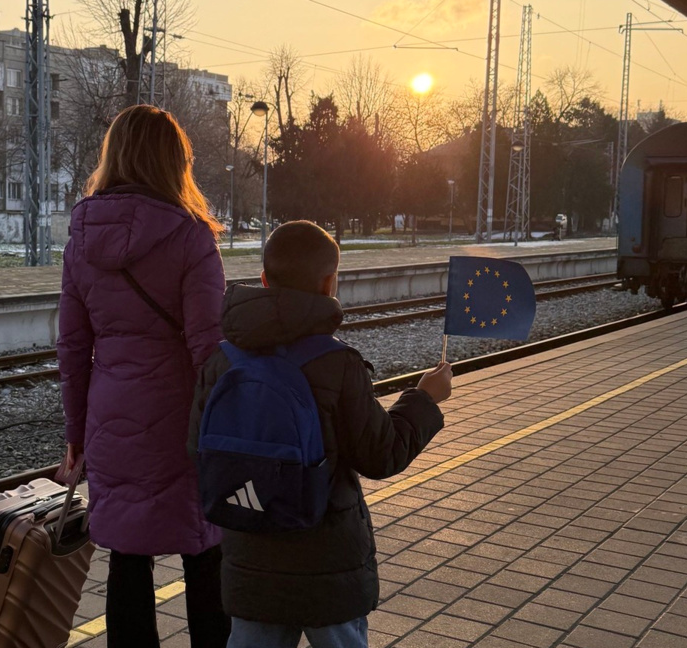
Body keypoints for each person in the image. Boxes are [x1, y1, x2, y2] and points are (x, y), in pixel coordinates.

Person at [187, 220, 451, 648]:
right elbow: (382, 455)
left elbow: (197, 453)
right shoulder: (337, 362)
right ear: (331, 283)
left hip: (251, 565)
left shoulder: (222, 362)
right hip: (330, 565)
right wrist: (423, 400)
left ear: (264, 280)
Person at [57, 105, 230, 648]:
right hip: (184, 422)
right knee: (205, 551)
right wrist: (230, 425)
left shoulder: (81, 239)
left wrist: (77, 436)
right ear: (175, 162)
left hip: (113, 419)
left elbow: (72, 348)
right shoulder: (192, 237)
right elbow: (208, 348)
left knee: (128, 560)